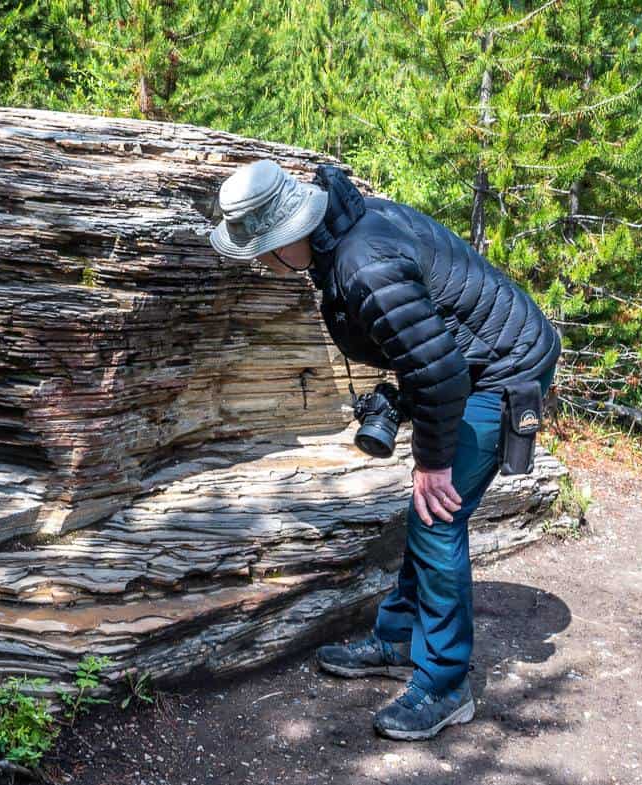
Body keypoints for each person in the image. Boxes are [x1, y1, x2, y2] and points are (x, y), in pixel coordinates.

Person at [208, 159, 561, 741]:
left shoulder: (362, 264)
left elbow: (441, 371)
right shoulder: (340, 230)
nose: (264, 265)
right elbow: (425, 346)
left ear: (287, 237)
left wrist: (432, 461)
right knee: (427, 517)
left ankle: (446, 686)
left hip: (501, 369)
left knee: (438, 515)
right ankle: (398, 638)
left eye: (262, 251)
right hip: (467, 359)